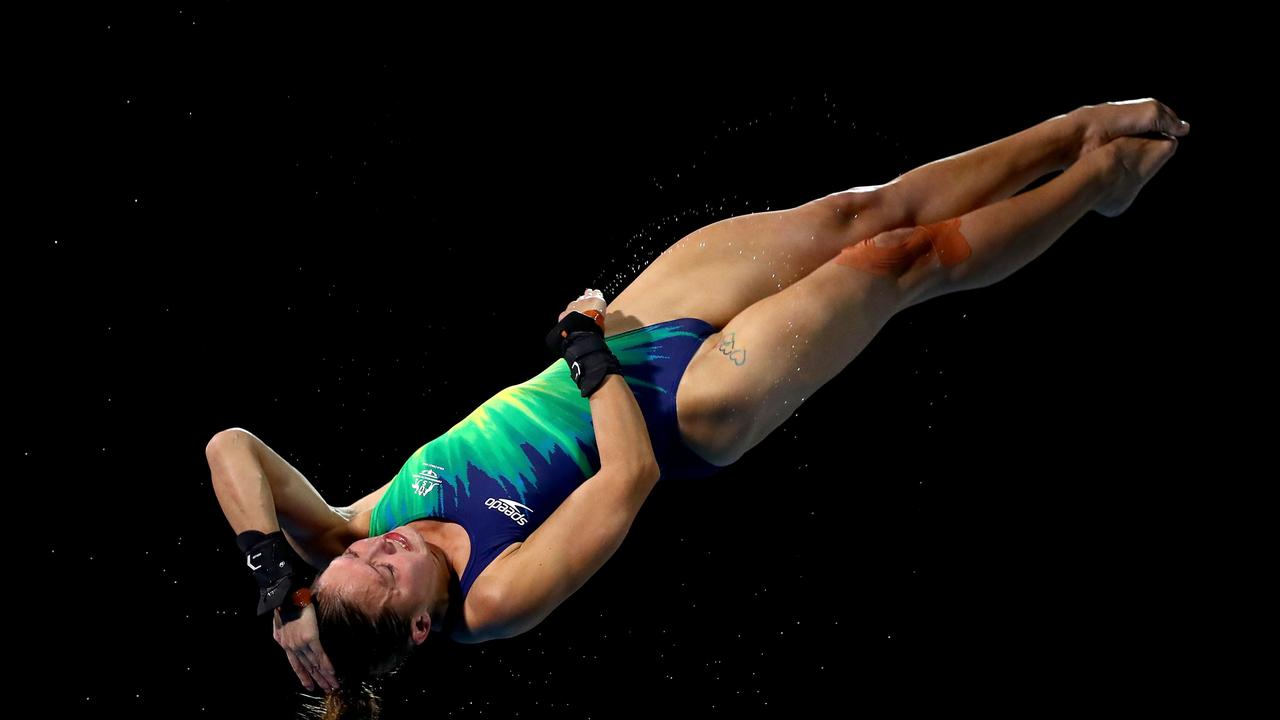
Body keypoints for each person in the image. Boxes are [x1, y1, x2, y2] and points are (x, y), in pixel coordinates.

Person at [206, 98, 1188, 718]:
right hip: (685, 411)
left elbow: (231, 446)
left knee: (857, 212)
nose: (380, 545)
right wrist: (586, 358)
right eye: (383, 572)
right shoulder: (491, 601)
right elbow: (625, 481)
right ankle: (1095, 184)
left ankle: (1070, 130)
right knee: (894, 265)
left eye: (350, 557)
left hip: (620, 340)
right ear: (419, 627)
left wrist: (265, 575)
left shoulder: (350, 530)